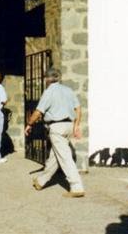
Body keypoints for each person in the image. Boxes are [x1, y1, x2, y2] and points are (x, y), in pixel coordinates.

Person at [25, 68, 85, 197]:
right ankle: (41, 181)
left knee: (65, 157)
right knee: (55, 157)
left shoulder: (49, 92)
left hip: (56, 127)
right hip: (69, 125)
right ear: (58, 78)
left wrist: (29, 124)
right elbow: (78, 108)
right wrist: (76, 125)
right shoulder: (68, 90)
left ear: (47, 79)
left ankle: (76, 186)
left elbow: (38, 112)